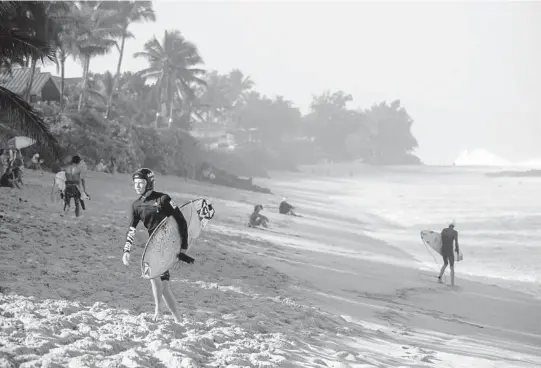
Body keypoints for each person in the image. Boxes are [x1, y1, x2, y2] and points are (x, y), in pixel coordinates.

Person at [122, 168, 189, 322]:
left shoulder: (163, 199)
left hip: (168, 245)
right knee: (164, 288)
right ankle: (178, 319)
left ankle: (158, 312)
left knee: (153, 276)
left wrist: (183, 246)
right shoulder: (136, 205)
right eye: (135, 183)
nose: (137, 186)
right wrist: (126, 250)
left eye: (141, 183)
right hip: (154, 245)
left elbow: (181, 221)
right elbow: (131, 229)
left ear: (149, 183)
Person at [438, 221, 460, 286]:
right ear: (453, 227)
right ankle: (452, 283)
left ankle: (439, 277)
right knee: (452, 266)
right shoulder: (455, 232)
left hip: (443, 249)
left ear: (449, 225)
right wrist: (457, 250)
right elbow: (456, 242)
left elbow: (440, 239)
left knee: (445, 263)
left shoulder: (444, 230)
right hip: (449, 250)